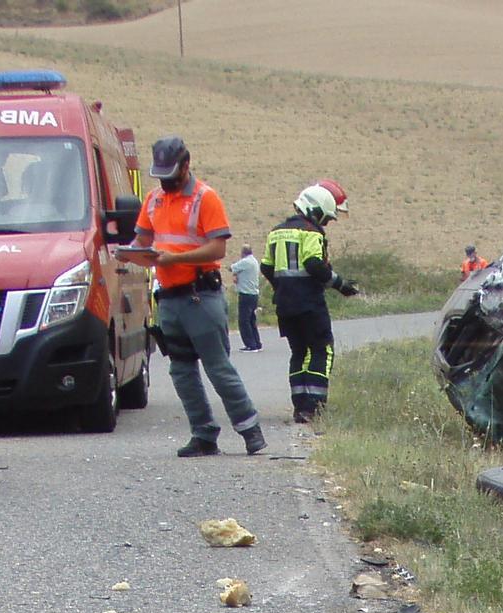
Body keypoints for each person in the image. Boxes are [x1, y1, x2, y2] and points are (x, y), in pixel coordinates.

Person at [120, 135, 266, 457]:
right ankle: (203, 435)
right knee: (182, 371)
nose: (166, 181)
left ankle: (249, 431)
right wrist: (127, 254)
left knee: (218, 368)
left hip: (201, 296)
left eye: (170, 174)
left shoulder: (205, 198)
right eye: (160, 175)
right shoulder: (153, 200)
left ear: (186, 165)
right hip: (169, 299)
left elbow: (218, 248)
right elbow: (141, 239)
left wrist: (175, 259)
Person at [261, 181, 357, 424]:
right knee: (321, 350)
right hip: (309, 304)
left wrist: (282, 287)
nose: (326, 223)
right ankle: (314, 408)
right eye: (327, 217)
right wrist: (340, 284)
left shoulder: (276, 231)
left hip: (285, 305)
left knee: (298, 352)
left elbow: (266, 266)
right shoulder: (312, 232)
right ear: (317, 210)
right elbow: (314, 264)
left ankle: (299, 407)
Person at [229, 244, 263, 352]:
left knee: (244, 321)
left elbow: (231, 268)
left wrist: (233, 269)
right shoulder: (254, 261)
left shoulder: (245, 262)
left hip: (246, 294)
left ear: (243, 252)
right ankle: (257, 343)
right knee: (251, 320)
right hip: (254, 294)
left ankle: (250, 345)